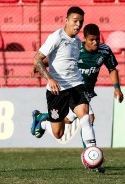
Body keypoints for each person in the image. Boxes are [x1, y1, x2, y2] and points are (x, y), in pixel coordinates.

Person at [31, 23, 124, 173]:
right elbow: (56, 60)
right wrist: (39, 65)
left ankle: (42, 120)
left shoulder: (104, 51)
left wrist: (117, 88)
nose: (95, 42)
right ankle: (92, 158)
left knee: (68, 121)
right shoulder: (76, 48)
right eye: (92, 39)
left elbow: (112, 69)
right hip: (68, 89)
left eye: (97, 39)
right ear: (85, 39)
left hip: (83, 93)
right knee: (86, 119)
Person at [31, 7, 97, 150]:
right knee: (58, 133)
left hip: (76, 85)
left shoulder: (78, 41)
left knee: (86, 117)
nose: (78, 25)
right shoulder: (56, 37)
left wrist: (45, 64)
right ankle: (42, 122)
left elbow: (62, 60)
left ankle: (92, 155)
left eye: (81, 22)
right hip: (57, 90)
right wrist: (49, 78)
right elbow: (37, 58)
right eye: (75, 21)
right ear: (66, 21)